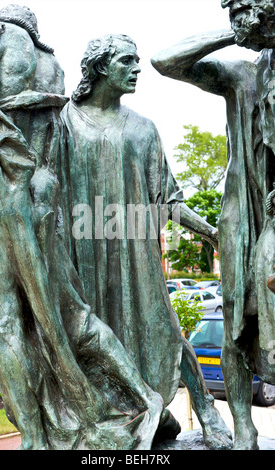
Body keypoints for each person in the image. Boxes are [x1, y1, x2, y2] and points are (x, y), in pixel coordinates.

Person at [0, 5, 166, 450]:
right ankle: (140, 397)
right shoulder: (52, 64)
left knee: (8, 320)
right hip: (39, 198)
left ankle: (37, 439)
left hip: (0, 192)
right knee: (69, 312)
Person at [59, 33, 232, 449]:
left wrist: (210, 232)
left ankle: (207, 410)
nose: (137, 69)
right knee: (92, 344)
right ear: (100, 67)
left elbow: (168, 199)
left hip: (135, 253)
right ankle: (133, 417)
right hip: (81, 255)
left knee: (167, 332)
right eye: (127, 61)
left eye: (138, 60)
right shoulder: (61, 122)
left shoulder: (143, 129)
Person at [151, 0, 275, 450]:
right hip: (244, 211)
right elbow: (165, 61)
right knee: (236, 321)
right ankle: (243, 425)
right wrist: (233, 35)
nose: (252, 17)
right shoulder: (241, 74)